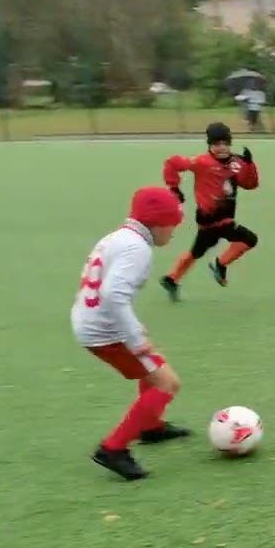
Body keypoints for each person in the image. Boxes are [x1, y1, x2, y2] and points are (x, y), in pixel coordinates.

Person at [72, 186, 189, 481]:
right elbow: (113, 294)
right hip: (103, 333)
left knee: (152, 369)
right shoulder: (137, 248)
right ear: (157, 223)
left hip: (93, 322)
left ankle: (150, 427)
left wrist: (131, 327)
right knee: (167, 383)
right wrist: (134, 337)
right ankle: (113, 448)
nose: (174, 231)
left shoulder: (118, 237)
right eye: (172, 224)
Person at [159, 122, 261, 300]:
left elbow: (250, 184)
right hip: (213, 219)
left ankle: (172, 278)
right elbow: (172, 163)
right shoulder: (202, 162)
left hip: (218, 220)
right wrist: (174, 188)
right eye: (216, 144)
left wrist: (249, 165)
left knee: (197, 251)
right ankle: (220, 264)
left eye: (225, 143)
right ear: (209, 145)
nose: (221, 148)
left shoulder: (236, 162)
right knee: (249, 239)